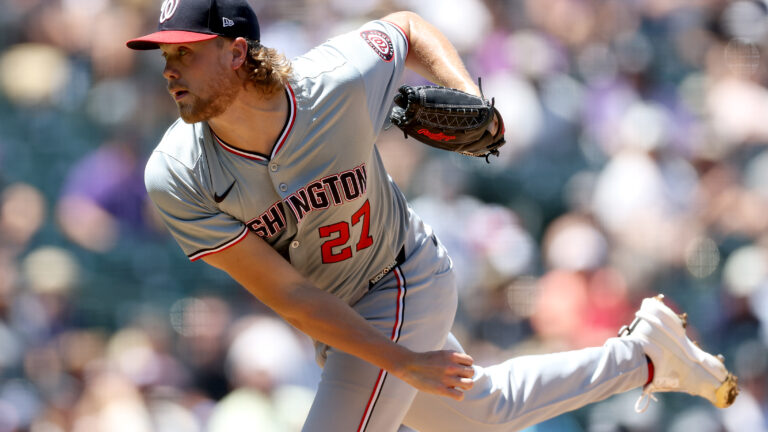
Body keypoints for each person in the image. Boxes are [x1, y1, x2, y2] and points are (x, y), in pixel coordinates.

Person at [126, 0, 739, 430]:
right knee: (487, 412)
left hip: (401, 278)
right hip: (341, 319)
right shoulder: (176, 173)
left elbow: (407, 28)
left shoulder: (331, 82)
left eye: (184, 51)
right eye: (163, 54)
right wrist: (402, 362)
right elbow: (289, 294)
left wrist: (467, 95)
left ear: (238, 53)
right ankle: (646, 358)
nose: (169, 69)